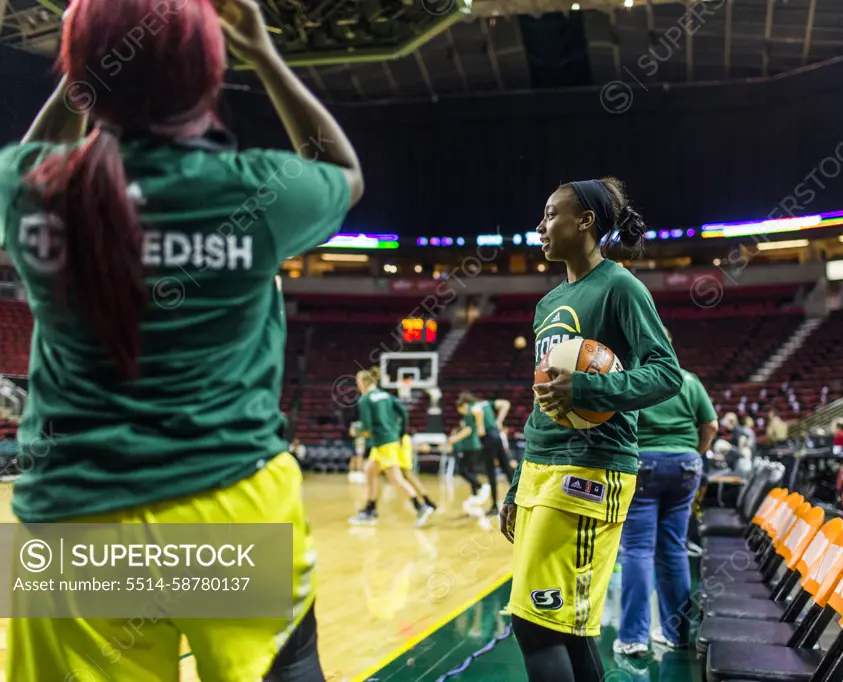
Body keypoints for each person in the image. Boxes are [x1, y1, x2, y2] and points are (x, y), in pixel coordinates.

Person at [0, 0, 363, 677]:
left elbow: (37, 154)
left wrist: (86, 65)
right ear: (208, 74)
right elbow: (344, 172)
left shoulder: (27, 190)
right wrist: (265, 53)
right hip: (229, 507)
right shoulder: (256, 189)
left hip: (77, 522)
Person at [499, 177, 684, 682]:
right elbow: (543, 406)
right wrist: (518, 484)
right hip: (544, 468)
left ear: (585, 222)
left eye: (551, 214)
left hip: (590, 471)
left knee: (534, 623)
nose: (540, 226)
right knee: (566, 628)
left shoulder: (621, 286)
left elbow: (666, 371)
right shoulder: (546, 306)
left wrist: (586, 389)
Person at [615, 329, 717, 656]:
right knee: (673, 549)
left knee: (637, 550)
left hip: (643, 465)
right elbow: (711, 425)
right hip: (685, 466)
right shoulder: (688, 379)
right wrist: (695, 454)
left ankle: (632, 637)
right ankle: (677, 634)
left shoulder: (634, 379)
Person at [349, 368, 433, 527]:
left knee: (395, 478)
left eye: (357, 383)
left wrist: (357, 431)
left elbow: (366, 426)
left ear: (363, 383)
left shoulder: (365, 400)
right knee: (369, 472)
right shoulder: (387, 396)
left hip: (383, 442)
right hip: (390, 440)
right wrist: (401, 434)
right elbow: (404, 414)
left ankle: (421, 506)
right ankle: (370, 509)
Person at [458, 392, 514, 514]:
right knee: (507, 468)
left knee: (491, 472)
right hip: (497, 436)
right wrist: (499, 421)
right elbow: (505, 404)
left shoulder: (473, 407)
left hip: (488, 438)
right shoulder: (486, 403)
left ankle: (494, 506)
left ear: (464, 404)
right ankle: (519, 500)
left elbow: (478, 412)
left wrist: (480, 429)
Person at [448, 406, 491, 513]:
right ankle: (475, 493)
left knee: (462, 470)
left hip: (472, 448)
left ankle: (481, 486)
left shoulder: (469, 416)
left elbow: (468, 430)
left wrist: (454, 438)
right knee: (470, 470)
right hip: (470, 448)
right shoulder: (469, 417)